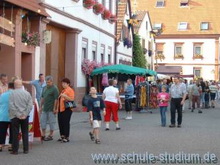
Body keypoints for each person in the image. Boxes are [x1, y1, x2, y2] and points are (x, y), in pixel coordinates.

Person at [9, 79, 33, 155]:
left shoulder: (12, 94)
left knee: (15, 133)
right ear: (21, 84)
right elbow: (30, 105)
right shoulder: (27, 93)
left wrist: (18, 114)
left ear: (15, 85)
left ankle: (15, 150)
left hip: (15, 116)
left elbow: (11, 106)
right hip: (25, 116)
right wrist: (25, 114)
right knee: (25, 132)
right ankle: (26, 149)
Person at [40, 76, 59, 141]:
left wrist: (55, 108)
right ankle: (43, 134)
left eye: (49, 82)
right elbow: (43, 97)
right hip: (45, 108)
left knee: (51, 122)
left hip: (51, 108)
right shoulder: (44, 88)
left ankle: (51, 135)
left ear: (52, 82)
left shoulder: (54, 88)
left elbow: (56, 99)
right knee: (43, 121)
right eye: (47, 82)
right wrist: (40, 106)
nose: (48, 83)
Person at [57, 78, 74, 143]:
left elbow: (72, 99)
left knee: (66, 123)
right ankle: (62, 135)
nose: (63, 84)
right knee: (60, 122)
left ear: (68, 84)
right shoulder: (63, 90)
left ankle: (67, 136)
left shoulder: (70, 90)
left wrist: (65, 96)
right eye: (62, 83)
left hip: (67, 109)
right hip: (60, 109)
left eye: (64, 83)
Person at [0, 82, 14, 152]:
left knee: (2, 131)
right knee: (12, 131)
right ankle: (10, 145)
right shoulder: (15, 95)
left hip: (3, 116)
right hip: (12, 116)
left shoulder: (2, 95)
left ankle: (0, 145)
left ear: (8, 87)